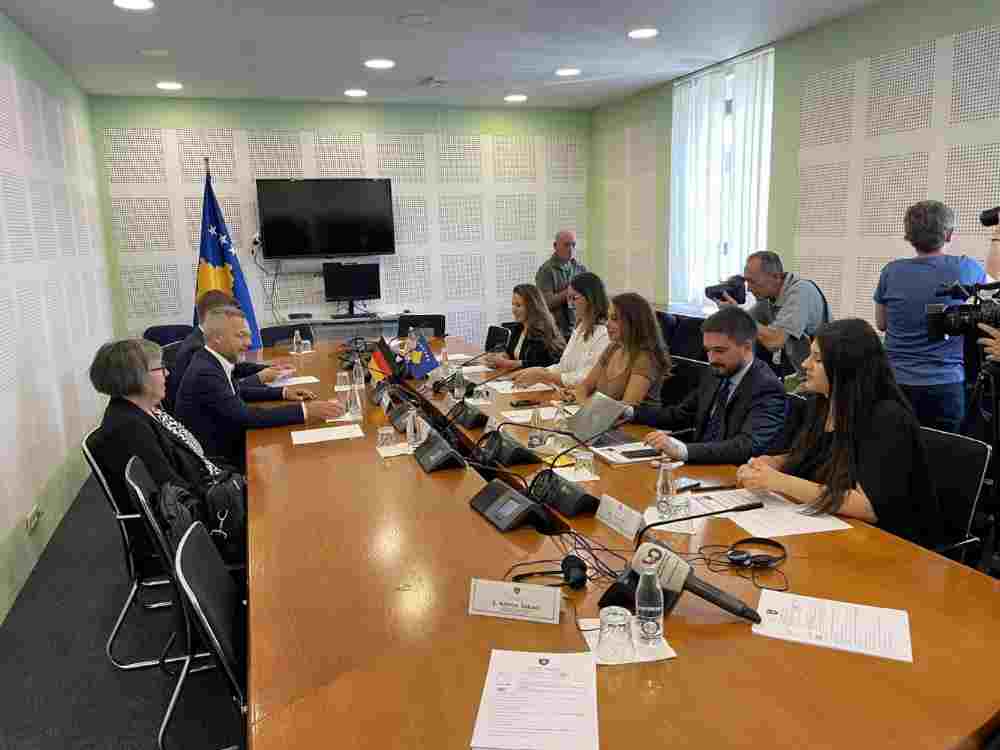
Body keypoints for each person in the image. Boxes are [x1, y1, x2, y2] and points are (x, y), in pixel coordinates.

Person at [736, 318, 942, 549]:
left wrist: (779, 482)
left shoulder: (886, 418)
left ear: (846, 367)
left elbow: (867, 507)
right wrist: (774, 463)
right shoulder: (822, 402)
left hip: (891, 545)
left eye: (817, 359)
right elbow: (814, 456)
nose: (805, 364)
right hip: (834, 527)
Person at [175, 306, 345, 470]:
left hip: (228, 446)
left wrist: (282, 393)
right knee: (305, 459)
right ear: (217, 338)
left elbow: (236, 392)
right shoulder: (206, 372)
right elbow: (245, 417)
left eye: (248, 336)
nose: (249, 343)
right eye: (241, 336)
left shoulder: (210, 361)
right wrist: (306, 411)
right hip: (221, 462)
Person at [874, 201, 991, 433]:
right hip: (944, 387)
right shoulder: (964, 267)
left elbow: (881, 323)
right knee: (944, 452)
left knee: (896, 448)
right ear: (948, 234)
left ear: (909, 235)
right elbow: (993, 288)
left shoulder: (891, 271)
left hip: (894, 383)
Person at [88, 338, 229, 525]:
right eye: (160, 368)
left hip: (210, 487)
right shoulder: (129, 429)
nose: (167, 373)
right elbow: (172, 491)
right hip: (202, 517)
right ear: (137, 376)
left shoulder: (149, 409)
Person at [632, 306, 785, 465]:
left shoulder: (767, 388)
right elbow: (679, 415)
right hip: (699, 465)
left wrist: (683, 450)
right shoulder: (715, 373)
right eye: (708, 350)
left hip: (732, 472)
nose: (711, 359)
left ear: (747, 347)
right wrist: (630, 413)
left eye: (720, 351)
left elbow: (746, 446)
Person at [164, 289, 290, 413]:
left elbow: (235, 368)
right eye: (229, 313)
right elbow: (226, 388)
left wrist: (266, 368)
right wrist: (259, 378)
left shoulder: (204, 339)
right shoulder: (196, 349)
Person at [721, 250, 829, 377]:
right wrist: (729, 311)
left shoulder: (801, 292)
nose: (749, 289)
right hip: (806, 373)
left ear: (776, 277)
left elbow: (775, 342)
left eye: (753, 282)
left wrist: (738, 313)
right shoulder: (768, 298)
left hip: (827, 375)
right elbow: (746, 325)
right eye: (747, 281)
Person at [512, 272, 610, 388]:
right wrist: (539, 371)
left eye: (574, 298)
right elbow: (563, 366)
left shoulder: (604, 334)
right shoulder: (580, 328)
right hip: (568, 393)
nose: (570, 304)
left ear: (590, 298)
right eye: (568, 298)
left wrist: (544, 376)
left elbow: (586, 378)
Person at [575, 292, 670, 406]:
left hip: (631, 418)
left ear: (634, 322)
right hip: (601, 415)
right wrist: (584, 403)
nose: (607, 324)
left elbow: (625, 408)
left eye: (614, 319)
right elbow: (585, 386)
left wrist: (586, 406)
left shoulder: (645, 358)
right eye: (608, 317)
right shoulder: (613, 348)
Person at [484, 284, 565, 371]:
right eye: (513, 304)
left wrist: (507, 363)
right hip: (518, 376)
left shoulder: (541, 332)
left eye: (518, 305)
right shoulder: (518, 328)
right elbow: (512, 354)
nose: (514, 310)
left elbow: (539, 363)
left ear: (532, 307)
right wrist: (501, 357)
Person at [536, 230, 587, 340]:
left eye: (573, 245)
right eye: (566, 245)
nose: (571, 249)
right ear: (555, 246)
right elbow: (546, 303)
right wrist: (570, 291)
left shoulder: (580, 268)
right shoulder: (546, 270)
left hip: (577, 328)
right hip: (556, 331)